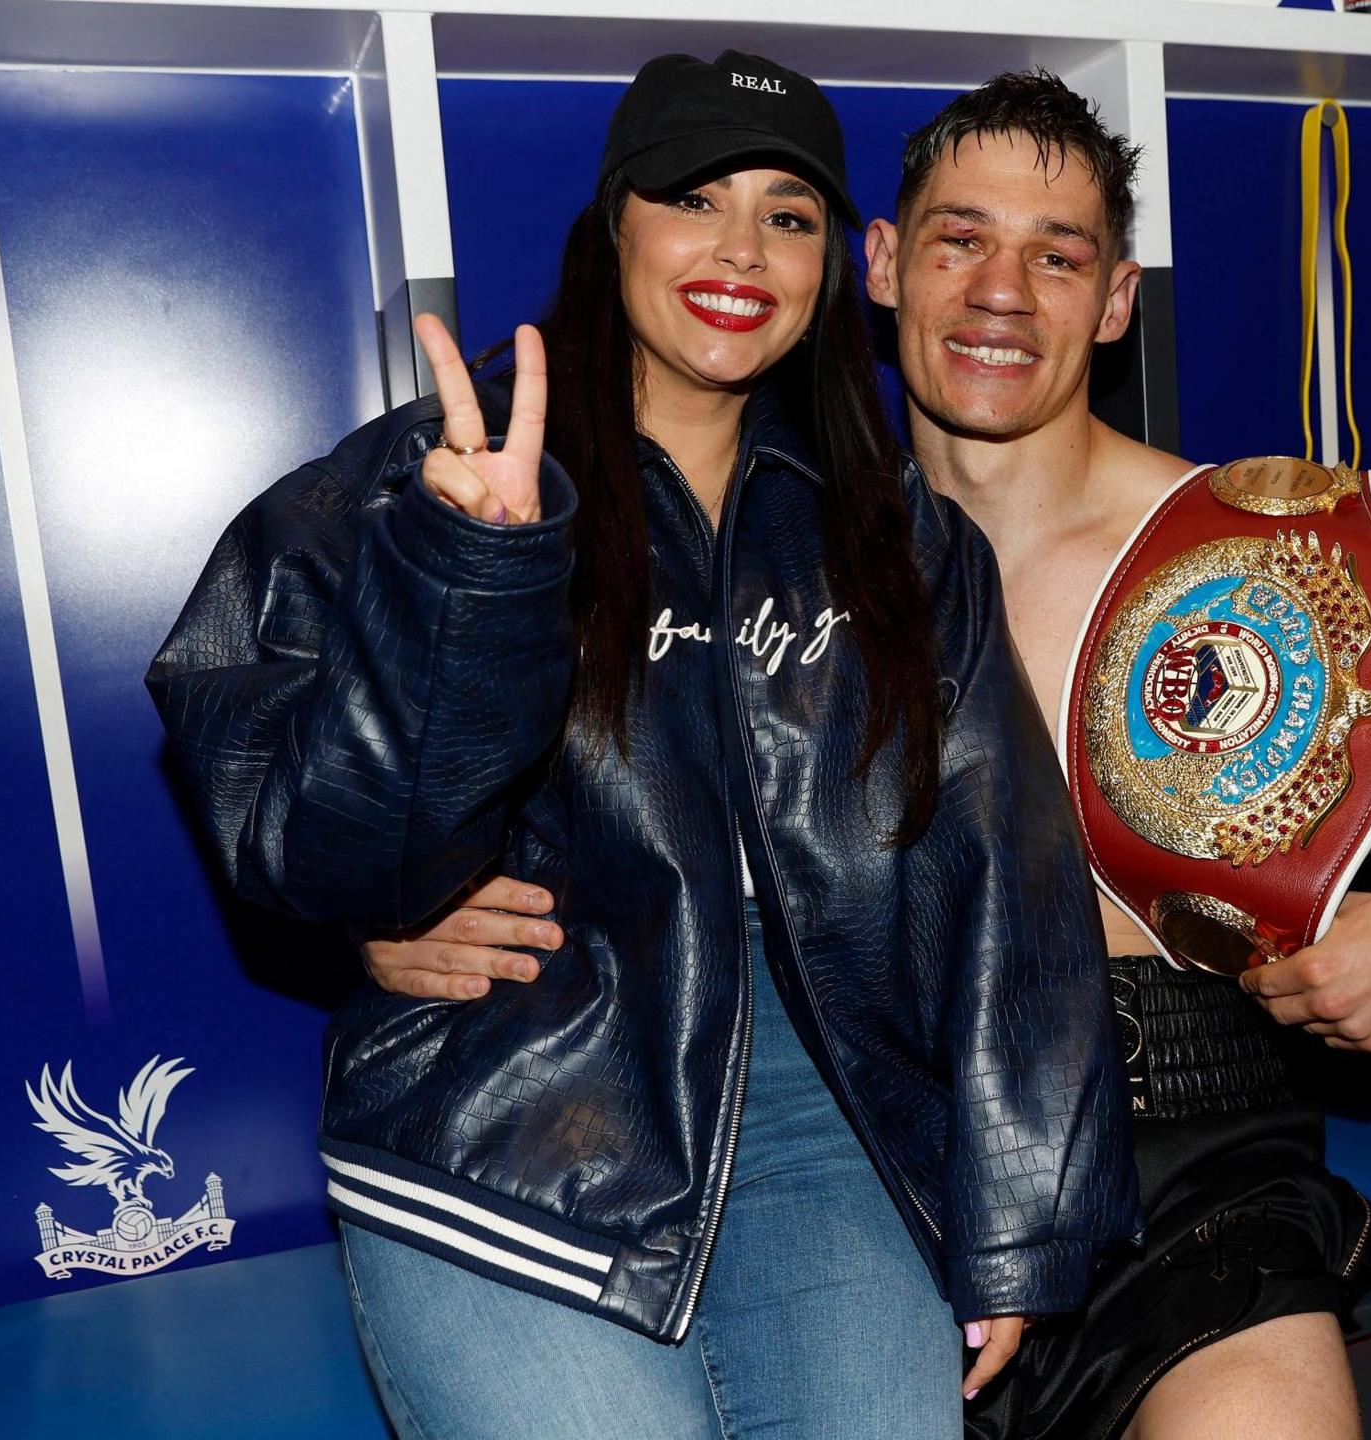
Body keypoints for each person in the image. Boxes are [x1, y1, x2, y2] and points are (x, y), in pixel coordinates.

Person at [366, 71, 1371, 1439]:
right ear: (880, 267)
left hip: (1187, 1147)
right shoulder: (760, 539)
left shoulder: (1235, 552)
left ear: (1115, 300)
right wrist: (396, 911)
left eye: (1059, 257)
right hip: (879, 1140)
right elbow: (546, 784)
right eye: (960, 240)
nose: (1003, 293)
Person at [148, 51, 1140, 1440]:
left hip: (829, 1100)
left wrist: (1020, 1216)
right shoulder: (432, 477)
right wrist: (473, 578)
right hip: (515, 1101)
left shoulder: (903, 540)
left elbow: (1007, 879)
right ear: (614, 223)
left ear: (832, 265)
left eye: (787, 214)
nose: (739, 249)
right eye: (692, 199)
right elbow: (315, 840)